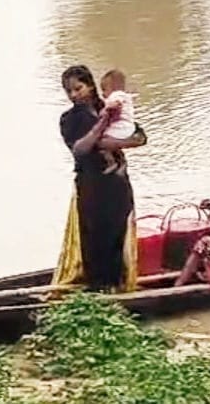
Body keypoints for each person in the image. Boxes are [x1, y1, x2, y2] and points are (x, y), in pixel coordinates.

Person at [52, 65, 147, 293]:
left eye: (78, 88)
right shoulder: (70, 119)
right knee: (95, 237)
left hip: (117, 183)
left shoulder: (112, 106)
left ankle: (118, 286)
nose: (74, 95)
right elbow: (80, 149)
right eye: (69, 92)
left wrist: (112, 141)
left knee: (117, 232)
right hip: (92, 185)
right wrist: (103, 125)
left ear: (91, 86)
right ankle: (99, 288)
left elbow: (140, 137)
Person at [98, 69, 137, 175]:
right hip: (129, 127)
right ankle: (121, 162)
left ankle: (112, 163)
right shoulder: (126, 96)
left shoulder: (116, 95)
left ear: (112, 88)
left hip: (121, 127)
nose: (103, 94)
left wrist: (107, 107)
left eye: (104, 90)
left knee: (101, 141)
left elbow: (115, 103)